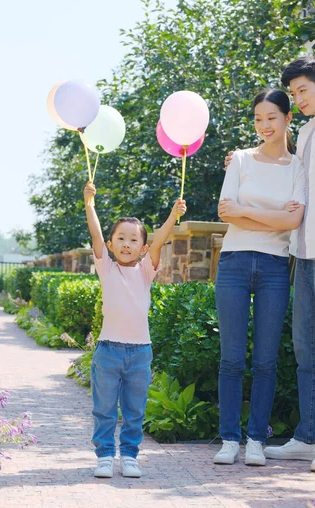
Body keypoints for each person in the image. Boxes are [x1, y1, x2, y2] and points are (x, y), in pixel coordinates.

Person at [226, 58, 315, 473]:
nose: (298, 99)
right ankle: (309, 437)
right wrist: (238, 161)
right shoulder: (307, 133)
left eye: (303, 91)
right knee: (306, 350)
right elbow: (286, 172)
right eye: (293, 94)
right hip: (304, 253)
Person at [214, 89, 305, 467]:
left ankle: (255, 439)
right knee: (232, 359)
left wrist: (246, 210)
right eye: (257, 118)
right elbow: (225, 213)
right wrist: (271, 215)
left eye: (271, 117)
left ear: (287, 118)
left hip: (273, 267)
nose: (264, 125)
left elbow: (292, 221)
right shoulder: (240, 159)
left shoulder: (299, 167)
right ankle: (229, 440)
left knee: (266, 360)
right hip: (234, 262)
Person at [84, 181, 186, 479]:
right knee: (104, 409)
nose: (125, 244)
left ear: (142, 248)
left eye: (132, 240)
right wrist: (89, 204)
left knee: (134, 411)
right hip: (108, 351)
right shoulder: (107, 267)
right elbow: (95, 234)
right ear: (112, 244)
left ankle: (129, 455)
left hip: (140, 352)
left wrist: (172, 215)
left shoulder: (145, 270)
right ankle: (104, 456)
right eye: (120, 238)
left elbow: (159, 242)